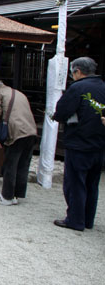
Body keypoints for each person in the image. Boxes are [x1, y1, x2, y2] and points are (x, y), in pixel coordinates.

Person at [52, 57, 105, 231]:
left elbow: (61, 112)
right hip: (99, 144)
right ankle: (87, 219)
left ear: (78, 71)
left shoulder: (78, 88)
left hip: (79, 143)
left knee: (75, 183)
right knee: (92, 183)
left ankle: (75, 220)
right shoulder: (103, 87)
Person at [0, 80, 37, 206]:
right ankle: (17, 194)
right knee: (23, 164)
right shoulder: (19, 93)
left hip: (16, 132)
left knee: (11, 164)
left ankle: (7, 196)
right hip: (31, 131)